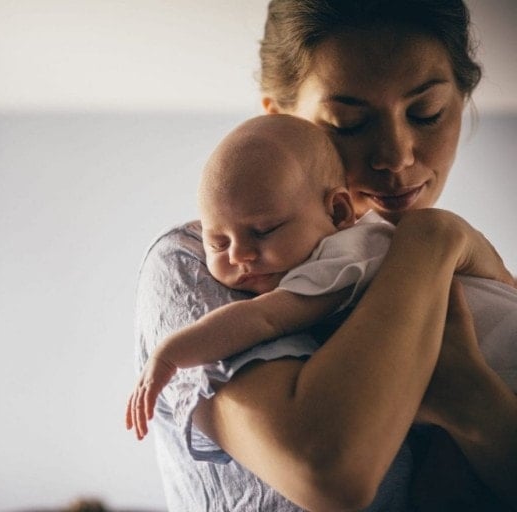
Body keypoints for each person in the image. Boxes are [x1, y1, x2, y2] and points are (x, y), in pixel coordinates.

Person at [132, 1, 517, 510]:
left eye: (427, 113)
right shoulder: (201, 262)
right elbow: (329, 471)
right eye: (349, 123)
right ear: (283, 121)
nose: (397, 157)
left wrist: (471, 400)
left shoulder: (469, 275)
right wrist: (432, 239)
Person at [126, 114, 517, 442]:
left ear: (338, 213)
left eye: (264, 230)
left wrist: (170, 354)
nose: (240, 255)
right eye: (217, 242)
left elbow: (263, 317)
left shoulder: (346, 255)